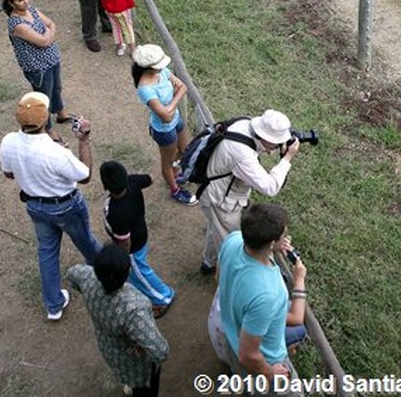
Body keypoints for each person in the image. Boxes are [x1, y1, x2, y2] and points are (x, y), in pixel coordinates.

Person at [0, 92, 101, 320]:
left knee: (46, 251)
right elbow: (85, 176)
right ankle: (105, 274)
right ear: (46, 120)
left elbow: (8, 173)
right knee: (86, 240)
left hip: (35, 206)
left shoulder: (8, 142)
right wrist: (83, 141)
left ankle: (53, 306)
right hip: (65, 206)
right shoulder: (56, 152)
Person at [66, 245, 180, 397]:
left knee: (124, 372)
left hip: (109, 348)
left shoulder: (88, 278)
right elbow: (160, 352)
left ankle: (130, 384)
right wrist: (140, 345)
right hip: (135, 362)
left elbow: (71, 274)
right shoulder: (134, 306)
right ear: (126, 274)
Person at [218, 203, 309, 397]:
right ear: (270, 243)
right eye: (282, 234)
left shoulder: (233, 241)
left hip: (233, 339)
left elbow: (218, 278)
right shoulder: (269, 292)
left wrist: (275, 248)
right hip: (264, 359)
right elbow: (296, 318)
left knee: (240, 387)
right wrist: (299, 280)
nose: (286, 235)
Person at [199, 110, 300, 275]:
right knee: (231, 244)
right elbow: (270, 187)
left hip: (213, 190)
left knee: (216, 229)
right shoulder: (242, 154)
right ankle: (230, 278)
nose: (278, 146)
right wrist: (286, 158)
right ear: (266, 138)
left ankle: (208, 262)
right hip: (221, 201)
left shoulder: (246, 123)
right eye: (276, 142)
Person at [99, 160, 176, 317]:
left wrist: (124, 259)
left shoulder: (117, 212)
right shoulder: (133, 182)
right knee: (138, 271)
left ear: (105, 186)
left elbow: (125, 241)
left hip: (132, 248)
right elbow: (150, 178)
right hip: (140, 232)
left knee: (141, 271)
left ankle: (164, 297)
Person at [2, 0, 71, 136]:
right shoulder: (17, 24)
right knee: (43, 98)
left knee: (57, 88)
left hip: (52, 58)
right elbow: (43, 41)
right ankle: (48, 129)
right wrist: (48, 34)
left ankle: (61, 113)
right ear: (11, 3)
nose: (25, 2)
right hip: (37, 67)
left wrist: (48, 33)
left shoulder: (31, 10)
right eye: (20, 0)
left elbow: (52, 23)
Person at [130, 45, 193, 205]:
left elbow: (183, 87)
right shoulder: (145, 89)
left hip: (176, 120)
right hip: (164, 131)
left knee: (184, 151)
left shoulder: (162, 71)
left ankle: (175, 174)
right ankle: (174, 189)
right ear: (149, 68)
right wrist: (174, 102)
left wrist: (170, 107)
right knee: (168, 161)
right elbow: (165, 117)